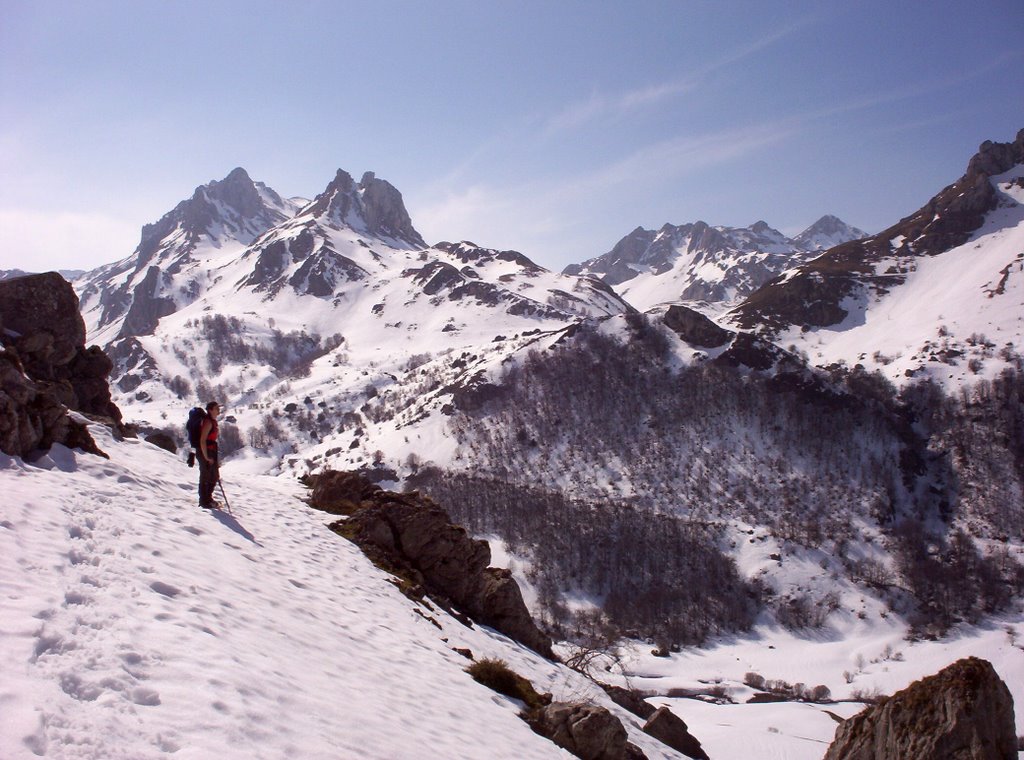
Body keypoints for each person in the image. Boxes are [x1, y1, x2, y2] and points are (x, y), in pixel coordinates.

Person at [198, 401, 221, 509]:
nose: (218, 410)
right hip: (205, 451)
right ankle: (204, 501)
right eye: (216, 408)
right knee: (206, 476)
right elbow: (202, 440)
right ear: (210, 410)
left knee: (214, 476)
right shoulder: (208, 422)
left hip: (210, 450)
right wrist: (206, 456)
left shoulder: (212, 421)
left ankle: (208, 498)